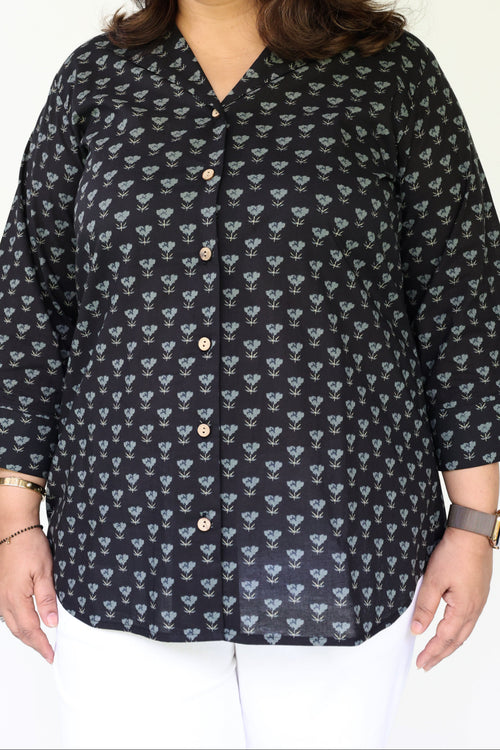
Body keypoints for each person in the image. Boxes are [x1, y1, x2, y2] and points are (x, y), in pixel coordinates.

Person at [0, 0, 498, 748]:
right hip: (125, 541)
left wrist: (475, 523)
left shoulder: (390, 76)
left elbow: (463, 300)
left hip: (338, 538)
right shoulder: (95, 81)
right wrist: (13, 520)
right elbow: (31, 304)